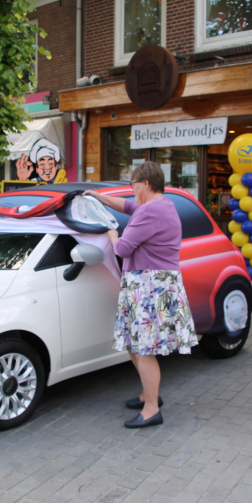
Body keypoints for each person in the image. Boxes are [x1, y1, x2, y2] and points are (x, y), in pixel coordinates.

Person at [84, 161, 196, 429]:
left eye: (133, 185)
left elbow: (122, 249)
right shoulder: (160, 205)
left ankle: (151, 409)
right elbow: (127, 206)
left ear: (146, 184)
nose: (131, 190)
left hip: (150, 286)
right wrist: (98, 197)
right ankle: (149, 394)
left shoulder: (151, 212)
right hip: (151, 284)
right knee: (137, 346)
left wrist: (112, 234)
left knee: (144, 349)